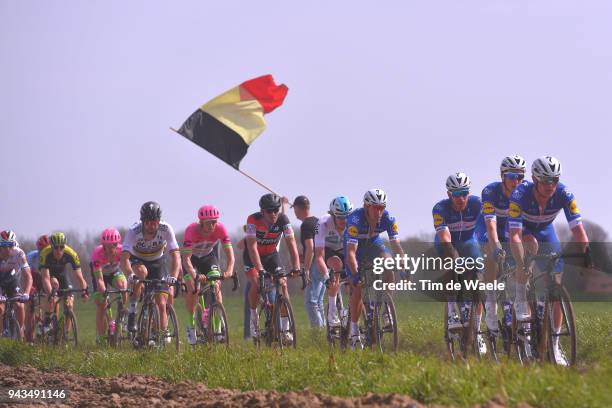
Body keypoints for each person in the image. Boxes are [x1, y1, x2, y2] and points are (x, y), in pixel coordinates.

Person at [507, 156, 589, 365]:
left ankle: (554, 346)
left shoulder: (564, 193)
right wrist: (520, 260)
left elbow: (578, 230)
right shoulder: (520, 194)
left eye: (554, 180)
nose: (550, 185)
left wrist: (586, 255)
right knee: (527, 254)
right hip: (524, 231)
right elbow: (514, 234)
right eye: (545, 180)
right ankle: (522, 302)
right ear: (534, 179)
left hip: (546, 231)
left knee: (556, 281)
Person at [344, 189, 405, 349]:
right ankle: (355, 331)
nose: (379, 211)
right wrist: (356, 274)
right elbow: (351, 252)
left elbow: (396, 245)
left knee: (389, 265)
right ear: (366, 206)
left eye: (382, 207)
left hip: (374, 244)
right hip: (355, 249)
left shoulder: (388, 218)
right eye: (375, 207)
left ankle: (386, 311)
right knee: (358, 286)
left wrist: (404, 265)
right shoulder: (355, 219)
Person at [432, 173, 486, 353]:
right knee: (451, 262)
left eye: (464, 193)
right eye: (456, 194)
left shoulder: (477, 203)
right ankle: (451, 312)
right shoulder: (440, 208)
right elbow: (445, 236)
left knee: (477, 281)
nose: (461, 198)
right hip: (446, 243)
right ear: (449, 194)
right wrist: (454, 256)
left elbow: (487, 225)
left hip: (469, 242)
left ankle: (477, 331)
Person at [476, 155, 527, 333]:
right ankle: (490, 304)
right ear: (503, 176)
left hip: (509, 228)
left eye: (520, 177)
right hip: (488, 227)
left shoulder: (525, 192)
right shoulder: (490, 192)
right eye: (512, 176)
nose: (517, 181)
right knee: (493, 252)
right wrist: (497, 246)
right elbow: (491, 226)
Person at [121, 201, 181, 343]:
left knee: (161, 301)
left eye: (154, 222)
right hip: (138, 260)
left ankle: (161, 334)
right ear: (142, 221)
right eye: (147, 223)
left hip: (157, 262)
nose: (151, 226)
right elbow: (124, 259)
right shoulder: (133, 231)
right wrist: (130, 274)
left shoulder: (166, 229)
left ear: (159, 221)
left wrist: (173, 276)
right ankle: (133, 309)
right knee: (141, 273)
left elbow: (176, 256)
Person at [244, 193, 301, 342]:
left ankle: (284, 330)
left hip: (271, 255)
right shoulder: (253, 220)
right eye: (269, 211)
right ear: (262, 211)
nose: (274, 213)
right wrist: (260, 269)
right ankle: (253, 319)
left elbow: (292, 244)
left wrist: (296, 266)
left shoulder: (283, 219)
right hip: (252, 257)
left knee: (283, 283)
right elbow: (252, 246)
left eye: (276, 210)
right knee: (257, 284)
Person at [182, 205, 235, 345]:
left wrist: (229, 270)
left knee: (216, 284)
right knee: (193, 289)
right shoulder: (191, 230)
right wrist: (194, 275)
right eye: (209, 222)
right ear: (201, 222)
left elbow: (230, 256)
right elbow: (186, 259)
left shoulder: (220, 229)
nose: (213, 225)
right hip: (191, 260)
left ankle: (217, 329)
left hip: (208, 257)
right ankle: (191, 326)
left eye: (215, 221)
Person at [314, 196, 353, 327]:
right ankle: (332, 313)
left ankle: (350, 316)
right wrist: (326, 277)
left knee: (353, 281)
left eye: (347, 216)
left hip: (345, 250)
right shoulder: (323, 223)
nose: (344, 220)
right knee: (336, 266)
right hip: (328, 250)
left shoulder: (354, 224)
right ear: (333, 215)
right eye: (340, 217)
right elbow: (319, 256)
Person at [39, 232, 89, 331]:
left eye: (61, 247)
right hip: (50, 275)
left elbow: (79, 276)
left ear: (64, 246)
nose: (58, 250)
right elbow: (45, 277)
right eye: (56, 247)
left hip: (63, 275)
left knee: (69, 304)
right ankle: (47, 321)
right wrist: (51, 294)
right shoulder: (45, 253)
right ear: (51, 246)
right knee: (52, 293)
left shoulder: (71, 254)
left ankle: (65, 335)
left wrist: (84, 291)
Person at [292, 195, 325, 328]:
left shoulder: (306, 225)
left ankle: (319, 334)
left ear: (298, 208)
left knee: (311, 302)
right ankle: (326, 334)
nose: (294, 212)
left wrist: (306, 269)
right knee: (319, 302)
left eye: (294, 209)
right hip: (325, 262)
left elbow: (311, 247)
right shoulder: (318, 222)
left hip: (315, 265)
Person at [91, 228, 128, 345]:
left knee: (123, 286)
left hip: (114, 273)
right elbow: (99, 280)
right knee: (101, 303)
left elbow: (128, 267)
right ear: (103, 245)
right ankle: (101, 337)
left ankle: (121, 313)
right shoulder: (97, 253)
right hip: (100, 275)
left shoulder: (123, 250)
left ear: (118, 244)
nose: (111, 249)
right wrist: (104, 292)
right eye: (107, 246)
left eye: (114, 245)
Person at [0, 230, 31, 339]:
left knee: (19, 305)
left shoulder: (19, 253)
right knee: (0, 308)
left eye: (10, 245)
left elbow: (28, 276)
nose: (7, 248)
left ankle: (20, 331)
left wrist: (26, 293)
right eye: (4, 245)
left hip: (13, 279)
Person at [24, 235, 49, 342]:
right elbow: (27, 276)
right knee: (31, 305)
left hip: (45, 279)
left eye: (44, 249)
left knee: (52, 298)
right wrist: (30, 289)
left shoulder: (50, 256)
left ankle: (50, 323)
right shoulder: (31, 256)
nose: (42, 251)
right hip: (34, 280)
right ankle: (29, 335)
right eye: (40, 249)